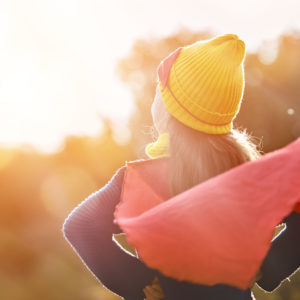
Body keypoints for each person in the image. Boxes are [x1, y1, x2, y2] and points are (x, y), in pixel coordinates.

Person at [62, 33, 300, 300]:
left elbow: (80, 226)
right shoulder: (249, 178)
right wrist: (266, 269)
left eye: (159, 90)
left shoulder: (139, 181)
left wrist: (139, 281)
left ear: (168, 107)